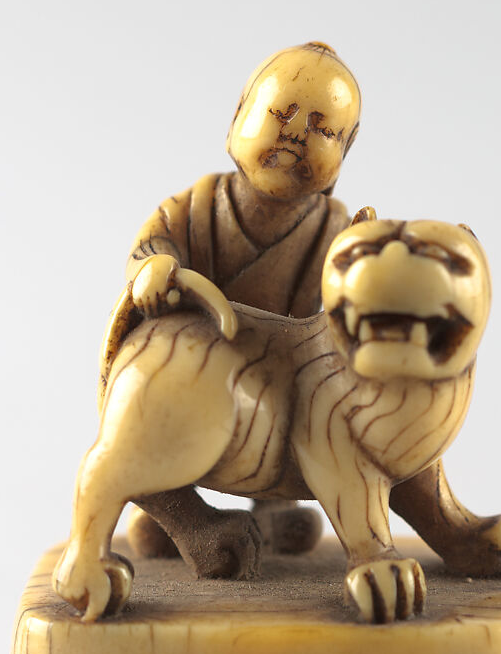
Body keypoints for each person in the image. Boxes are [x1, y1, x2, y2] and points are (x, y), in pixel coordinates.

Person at [99, 41, 361, 565]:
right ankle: (177, 513)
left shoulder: (334, 228)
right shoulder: (195, 206)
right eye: (281, 114)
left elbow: (348, 302)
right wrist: (155, 267)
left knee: (308, 413)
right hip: (195, 360)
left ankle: (270, 506)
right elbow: (153, 245)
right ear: (236, 119)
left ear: (343, 158)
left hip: (279, 376)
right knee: (159, 410)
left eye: (323, 130)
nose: (297, 135)